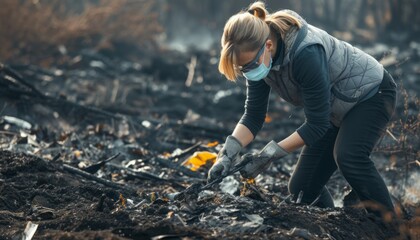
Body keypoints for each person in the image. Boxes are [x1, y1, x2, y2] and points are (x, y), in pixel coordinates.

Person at [207, 1, 397, 217]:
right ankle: (337, 226)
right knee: (302, 188)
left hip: (372, 94)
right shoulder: (259, 60)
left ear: (268, 45)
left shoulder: (306, 54)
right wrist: (226, 153)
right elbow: (253, 116)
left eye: (249, 66)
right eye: (243, 69)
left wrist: (268, 155)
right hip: (334, 108)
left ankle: (391, 225)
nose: (248, 73)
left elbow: (317, 125)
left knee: (348, 156)